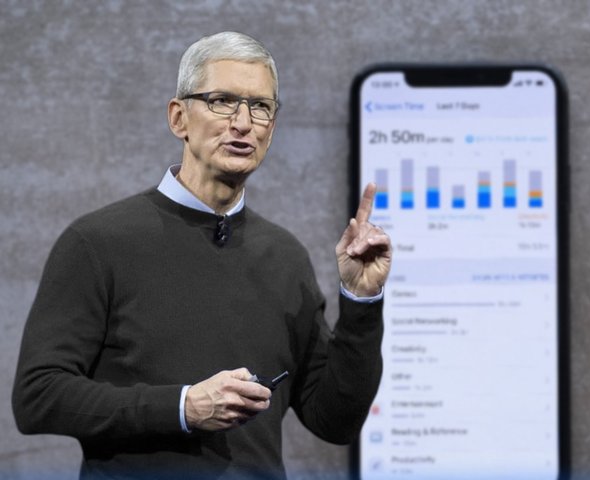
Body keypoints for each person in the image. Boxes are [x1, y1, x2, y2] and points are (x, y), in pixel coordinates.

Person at [12, 31, 391, 480]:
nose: (243, 123)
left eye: (260, 106)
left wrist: (361, 301)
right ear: (179, 118)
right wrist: (182, 407)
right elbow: (38, 397)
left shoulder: (285, 257)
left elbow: (335, 420)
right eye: (222, 101)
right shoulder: (98, 242)